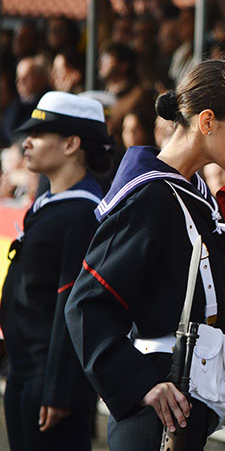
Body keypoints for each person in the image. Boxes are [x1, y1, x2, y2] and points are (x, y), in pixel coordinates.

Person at [65, 59, 225, 450]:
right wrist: (140, 384)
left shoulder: (193, 193)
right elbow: (86, 303)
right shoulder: (150, 195)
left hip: (187, 395)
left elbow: (181, 276)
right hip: (157, 399)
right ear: (207, 121)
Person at [1, 91, 113, 451]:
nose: (26, 142)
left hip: (50, 380)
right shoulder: (50, 204)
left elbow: (74, 306)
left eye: (38, 134)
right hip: (24, 369)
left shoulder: (83, 213)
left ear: (71, 144)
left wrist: (61, 390)